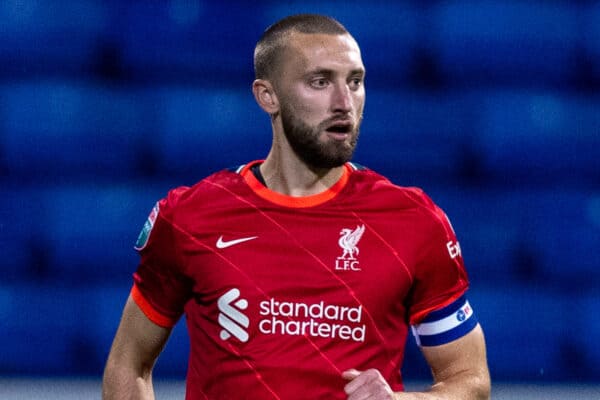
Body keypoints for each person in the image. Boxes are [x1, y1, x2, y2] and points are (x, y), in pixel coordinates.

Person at [102, 14, 490, 400]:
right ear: (267, 96)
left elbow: (470, 382)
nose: (344, 103)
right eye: (320, 82)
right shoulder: (191, 216)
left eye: (355, 82)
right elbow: (128, 364)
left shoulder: (414, 221)